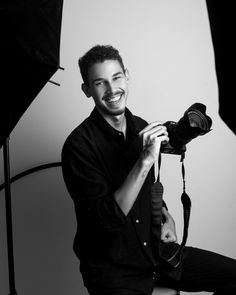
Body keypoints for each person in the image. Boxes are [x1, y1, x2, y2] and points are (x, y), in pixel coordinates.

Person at [61, 45, 236, 295]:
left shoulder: (141, 127)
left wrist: (166, 216)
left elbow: (148, 191)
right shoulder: (78, 146)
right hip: (114, 271)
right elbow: (106, 219)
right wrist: (143, 161)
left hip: (155, 254)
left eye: (117, 77)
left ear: (127, 76)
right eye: (100, 83)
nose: (112, 90)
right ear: (86, 89)